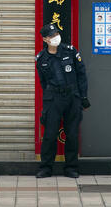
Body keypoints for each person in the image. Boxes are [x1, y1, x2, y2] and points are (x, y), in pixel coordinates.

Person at [35, 23, 89, 178]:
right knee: (50, 134)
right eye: (51, 36)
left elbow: (81, 75)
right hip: (53, 99)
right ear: (45, 39)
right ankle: (46, 168)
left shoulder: (70, 51)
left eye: (56, 34)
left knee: (71, 133)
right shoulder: (41, 59)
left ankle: (71, 168)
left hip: (72, 97)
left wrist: (83, 97)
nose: (55, 37)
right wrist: (51, 96)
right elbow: (43, 83)